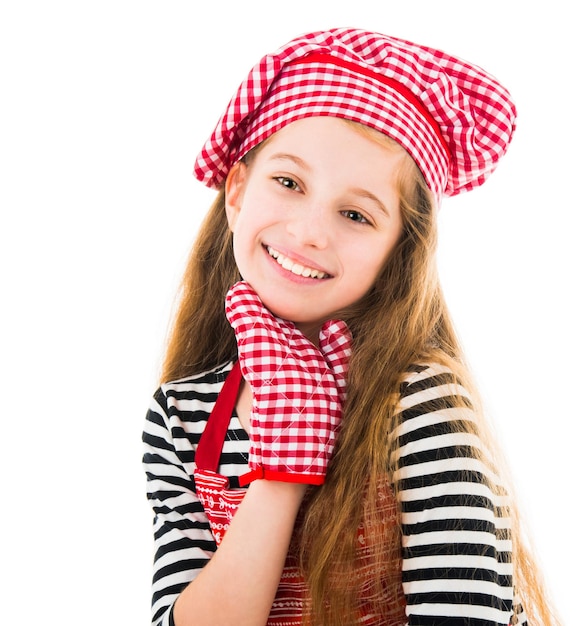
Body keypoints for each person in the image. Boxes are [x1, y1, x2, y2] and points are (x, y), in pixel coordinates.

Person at [142, 28, 559, 626]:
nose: (311, 231)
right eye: (288, 183)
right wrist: (284, 467)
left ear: (399, 252)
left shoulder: (420, 401)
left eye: (356, 214)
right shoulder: (180, 415)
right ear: (237, 191)